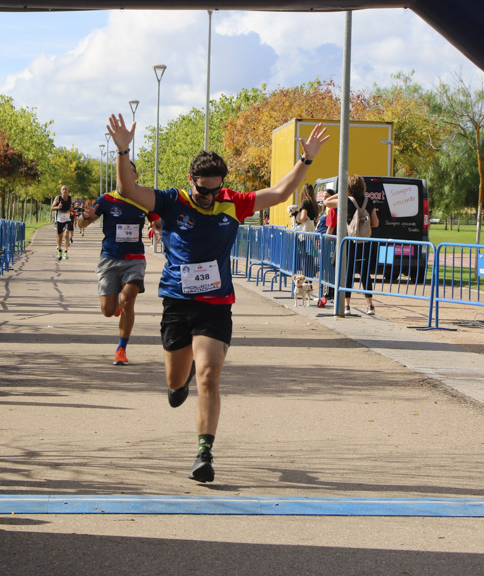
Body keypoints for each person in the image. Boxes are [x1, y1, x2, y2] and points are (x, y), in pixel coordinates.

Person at [108, 111, 329, 483]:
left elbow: (279, 193)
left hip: (215, 306)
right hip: (177, 302)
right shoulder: (173, 201)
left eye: (215, 189)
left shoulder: (233, 203)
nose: (209, 197)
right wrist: (123, 152)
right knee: (178, 383)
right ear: (191, 181)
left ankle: (204, 453)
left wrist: (305, 160)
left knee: (209, 377)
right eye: (203, 189)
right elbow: (130, 191)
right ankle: (180, 381)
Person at [77, 189, 160, 366]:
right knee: (108, 311)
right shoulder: (106, 199)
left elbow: (158, 221)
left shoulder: (143, 199)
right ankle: (116, 308)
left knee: (128, 300)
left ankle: (121, 349)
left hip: (134, 259)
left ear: (135, 176)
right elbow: (81, 225)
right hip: (110, 259)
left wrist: (159, 228)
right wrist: (85, 217)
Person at [324, 174, 380, 316]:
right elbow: (375, 223)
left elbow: (327, 202)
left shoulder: (345, 200)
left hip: (349, 242)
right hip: (365, 243)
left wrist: (341, 192)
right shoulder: (369, 201)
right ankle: (370, 305)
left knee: (348, 272)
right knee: (365, 273)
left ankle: (347, 305)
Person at [51, 185, 74, 260]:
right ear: (61, 191)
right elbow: (51, 208)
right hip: (59, 220)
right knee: (59, 237)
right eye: (63, 189)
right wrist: (58, 207)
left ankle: (66, 251)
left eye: (66, 189)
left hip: (67, 219)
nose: (64, 190)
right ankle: (60, 250)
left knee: (66, 234)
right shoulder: (58, 198)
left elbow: (73, 207)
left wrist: (71, 208)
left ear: (67, 190)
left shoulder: (71, 198)